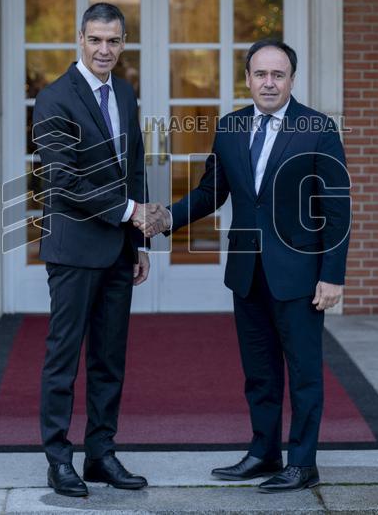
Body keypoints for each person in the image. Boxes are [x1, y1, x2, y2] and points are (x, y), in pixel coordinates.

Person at [137, 39, 350, 492]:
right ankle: (263, 451)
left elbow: (336, 207)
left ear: (292, 79)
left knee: (304, 372)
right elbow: (212, 192)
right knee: (260, 372)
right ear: (248, 79)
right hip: (247, 272)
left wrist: (333, 274)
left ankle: (303, 462)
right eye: (260, 74)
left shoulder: (318, 128)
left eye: (278, 74)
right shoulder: (231, 127)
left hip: (300, 275)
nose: (268, 82)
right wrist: (166, 218)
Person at [32, 2, 168, 497]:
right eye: (95, 40)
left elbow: (133, 169)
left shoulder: (125, 93)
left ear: (124, 43)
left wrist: (140, 241)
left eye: (113, 41)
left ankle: (101, 455)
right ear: (80, 40)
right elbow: (62, 180)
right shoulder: (54, 100)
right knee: (63, 358)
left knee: (110, 359)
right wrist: (129, 212)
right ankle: (58, 459)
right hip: (73, 250)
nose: (104, 49)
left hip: (117, 249)